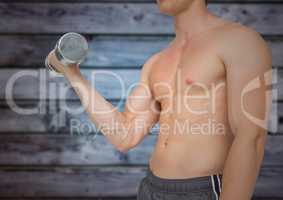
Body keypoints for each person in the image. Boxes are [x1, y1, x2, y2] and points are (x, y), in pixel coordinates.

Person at [46, 0, 272, 199]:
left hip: (204, 190)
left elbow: (251, 137)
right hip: (151, 188)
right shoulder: (156, 63)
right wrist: (73, 74)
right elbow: (125, 136)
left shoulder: (240, 40)